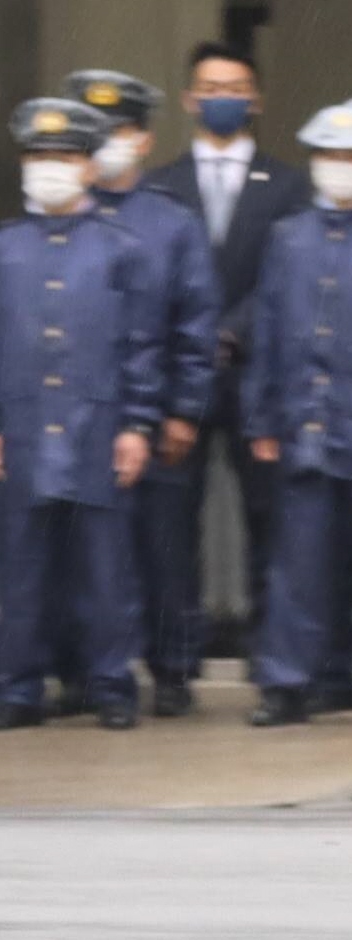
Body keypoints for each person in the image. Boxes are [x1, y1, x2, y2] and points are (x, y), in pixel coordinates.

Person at [0, 99, 163, 731]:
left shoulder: (121, 250)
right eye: (39, 158)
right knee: (21, 571)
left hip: (97, 428)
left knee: (106, 571)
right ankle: (15, 690)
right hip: (21, 428)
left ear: (87, 166)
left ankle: (110, 687)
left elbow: (141, 344)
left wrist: (136, 424)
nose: (50, 169)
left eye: (64, 158)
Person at [62, 69, 223, 715]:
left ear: (145, 139)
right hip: (75, 416)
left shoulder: (172, 223)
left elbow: (196, 323)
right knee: (81, 556)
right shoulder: (55, 219)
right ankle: (82, 671)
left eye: (118, 128)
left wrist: (184, 408)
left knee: (164, 550)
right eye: (91, 130)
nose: (105, 141)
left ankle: (173, 668)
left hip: (153, 416)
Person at [188, 46, 306, 694]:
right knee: (172, 527)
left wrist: (233, 327)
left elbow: (285, 278)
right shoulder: (163, 182)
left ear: (256, 99)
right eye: (210, 86)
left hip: (258, 375)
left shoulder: (288, 186)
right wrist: (194, 334)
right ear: (189, 99)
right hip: (182, 378)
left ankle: (271, 655)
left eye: (235, 86)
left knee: (271, 519)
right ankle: (175, 664)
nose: (223, 96)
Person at [241, 101, 352, 724]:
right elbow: (270, 330)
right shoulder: (289, 237)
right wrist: (261, 419)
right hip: (307, 422)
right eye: (329, 156)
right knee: (300, 562)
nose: (338, 168)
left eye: (348, 158)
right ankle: (286, 681)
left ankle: (340, 673)